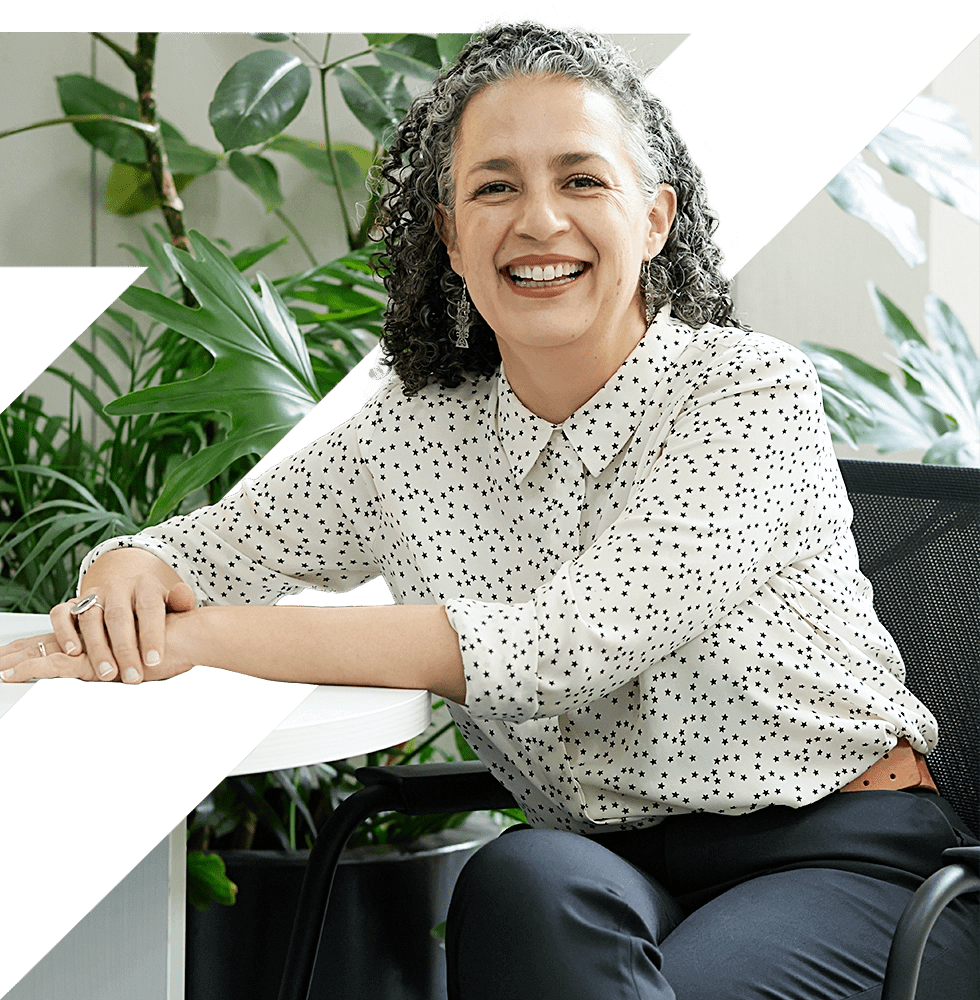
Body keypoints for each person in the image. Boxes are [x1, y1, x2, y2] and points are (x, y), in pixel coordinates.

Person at [2, 21, 977, 998]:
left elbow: (554, 646)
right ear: (451, 235)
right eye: (495, 186)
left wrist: (203, 637)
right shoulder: (416, 433)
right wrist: (125, 566)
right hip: (607, 868)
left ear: (651, 218)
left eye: (581, 180)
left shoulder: (744, 393)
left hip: (844, 861)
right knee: (517, 878)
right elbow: (210, 546)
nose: (538, 219)